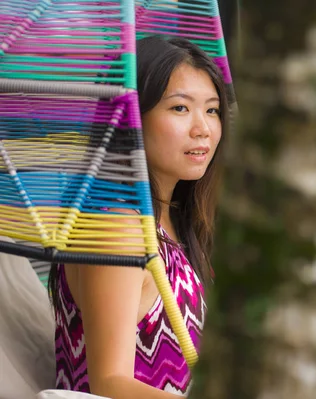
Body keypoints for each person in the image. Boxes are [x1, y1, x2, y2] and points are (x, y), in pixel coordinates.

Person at [47, 36, 229, 398]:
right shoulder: (117, 224)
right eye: (180, 108)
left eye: (211, 110)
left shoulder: (175, 223)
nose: (203, 129)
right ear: (129, 118)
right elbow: (109, 383)